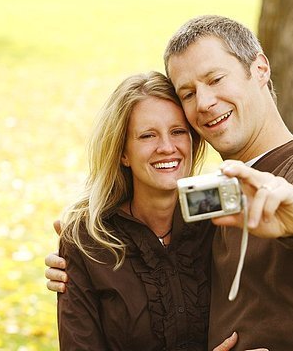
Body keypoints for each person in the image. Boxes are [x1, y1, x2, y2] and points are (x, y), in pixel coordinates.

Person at [47, 15, 293, 350]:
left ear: (260, 69)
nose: (204, 103)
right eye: (188, 93)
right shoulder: (216, 200)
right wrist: (83, 255)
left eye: (216, 79)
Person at [57, 71, 240, 350]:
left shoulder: (223, 215)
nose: (167, 148)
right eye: (147, 136)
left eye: (178, 132)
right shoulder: (88, 241)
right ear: (123, 153)